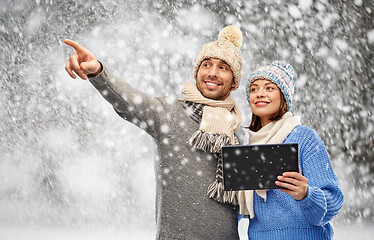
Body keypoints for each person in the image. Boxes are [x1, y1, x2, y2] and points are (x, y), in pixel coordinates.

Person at [64, 26, 244, 240]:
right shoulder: (169, 114)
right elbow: (128, 100)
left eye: (223, 67)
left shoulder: (237, 133)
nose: (212, 72)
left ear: (234, 82)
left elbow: (257, 201)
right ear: (197, 73)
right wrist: (97, 72)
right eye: (207, 64)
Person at [237, 61, 344, 239]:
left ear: (284, 97)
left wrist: (306, 194)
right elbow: (231, 209)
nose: (259, 94)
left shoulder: (304, 138)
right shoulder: (244, 144)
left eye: (269, 88)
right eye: (254, 89)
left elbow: (333, 201)